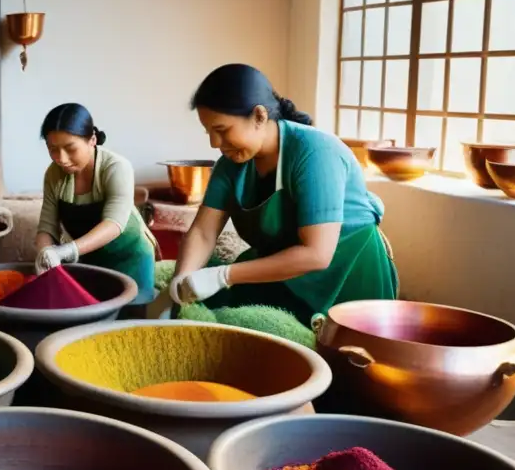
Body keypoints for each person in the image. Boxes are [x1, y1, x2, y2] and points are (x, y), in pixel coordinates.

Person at [169, 64, 397, 326]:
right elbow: (203, 232)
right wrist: (183, 278)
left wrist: (223, 275)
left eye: (221, 130)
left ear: (259, 116)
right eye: (208, 132)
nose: (214, 143)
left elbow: (317, 254)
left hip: (345, 276)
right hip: (279, 271)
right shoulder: (230, 165)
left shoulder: (315, 152)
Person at [34, 103, 158, 303]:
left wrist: (69, 250)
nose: (61, 158)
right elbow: (47, 225)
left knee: (129, 322)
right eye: (53, 149)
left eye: (70, 148)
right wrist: (45, 252)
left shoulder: (116, 167)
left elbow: (114, 224)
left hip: (130, 257)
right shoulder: (53, 174)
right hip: (89, 259)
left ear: (92, 140)